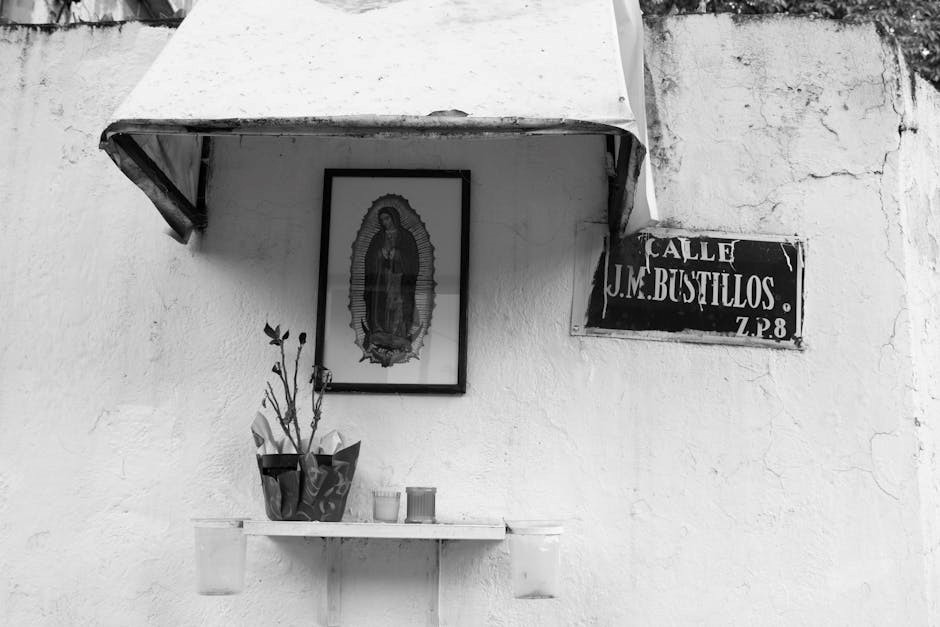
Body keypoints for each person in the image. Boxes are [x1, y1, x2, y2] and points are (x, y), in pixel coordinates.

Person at [363, 206, 418, 356]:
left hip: (399, 279)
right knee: (381, 302)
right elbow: (369, 259)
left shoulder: (406, 236)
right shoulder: (377, 238)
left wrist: (398, 254)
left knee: (397, 303)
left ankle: (398, 332)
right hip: (381, 279)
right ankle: (379, 330)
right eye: (382, 220)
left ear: (394, 218)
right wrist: (379, 254)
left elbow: (413, 260)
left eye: (387, 218)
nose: (385, 222)